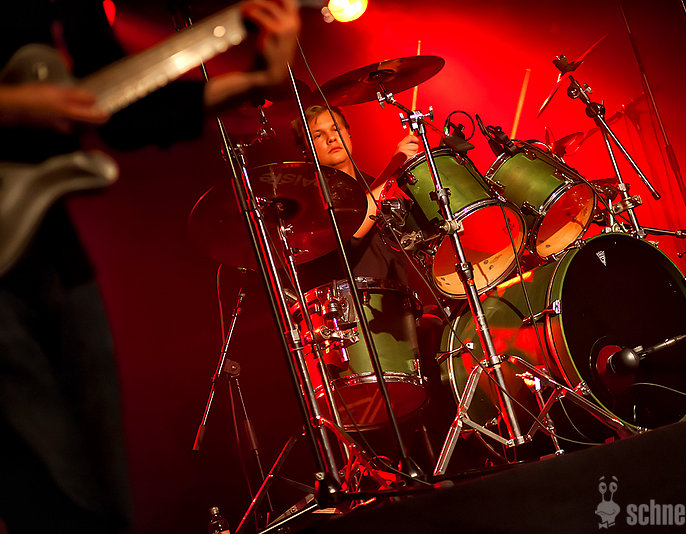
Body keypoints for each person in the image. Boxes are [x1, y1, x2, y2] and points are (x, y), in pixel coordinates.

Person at [0, 1, 299, 532]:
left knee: (102, 484)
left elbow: (125, 116)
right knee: (44, 481)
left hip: (48, 248)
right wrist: (15, 106)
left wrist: (254, 80)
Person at [290, 104, 419, 290]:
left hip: (400, 297)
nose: (331, 138)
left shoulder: (376, 183)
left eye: (336, 129)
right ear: (305, 150)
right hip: (352, 302)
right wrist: (394, 167)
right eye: (318, 135)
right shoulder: (311, 199)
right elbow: (354, 231)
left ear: (349, 134)